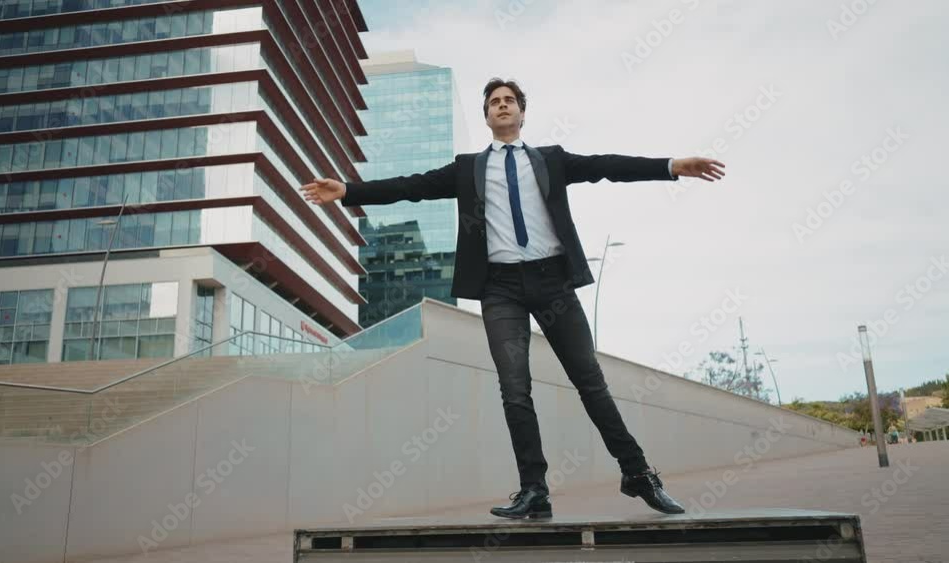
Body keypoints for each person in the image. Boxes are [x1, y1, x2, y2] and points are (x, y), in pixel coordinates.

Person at [301, 77, 726, 518]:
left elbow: (607, 165)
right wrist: (349, 191)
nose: (502, 106)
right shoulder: (468, 169)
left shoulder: (551, 160)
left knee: (591, 383)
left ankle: (638, 474)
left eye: (509, 101)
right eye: (494, 102)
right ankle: (534, 491)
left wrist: (672, 165)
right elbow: (412, 185)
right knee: (514, 390)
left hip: (553, 283)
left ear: (522, 113)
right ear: (487, 117)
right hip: (499, 289)